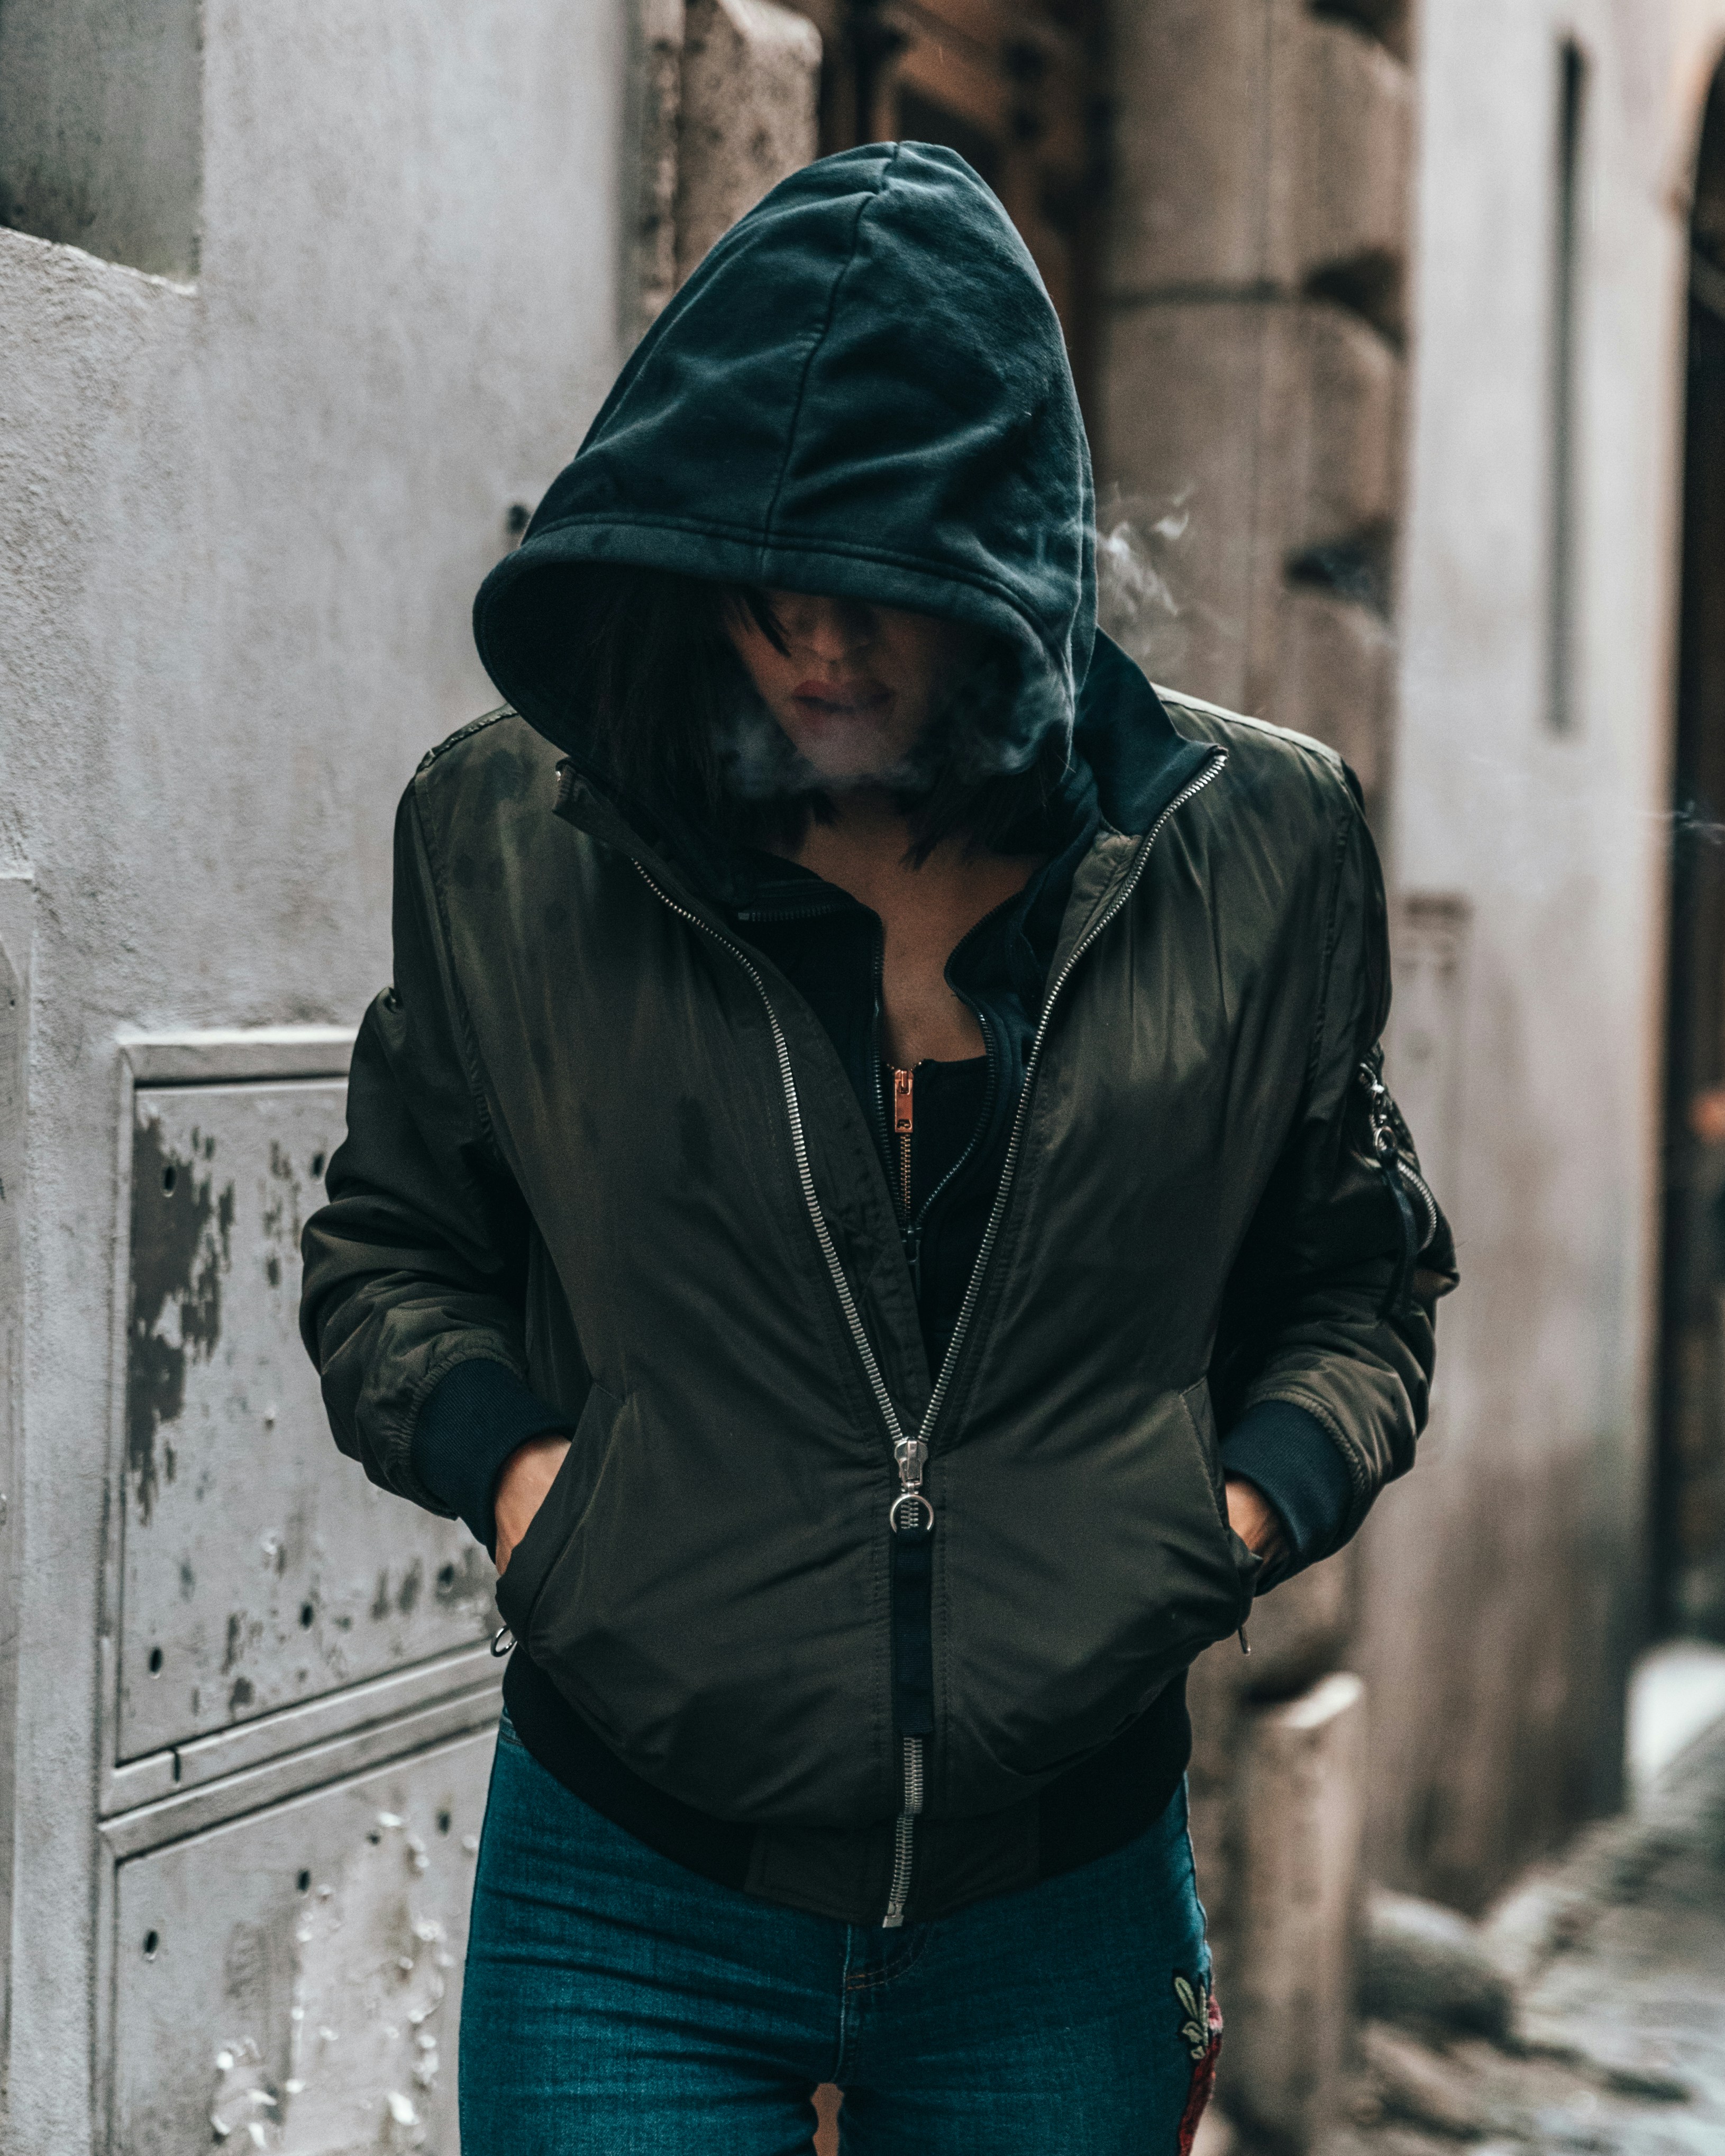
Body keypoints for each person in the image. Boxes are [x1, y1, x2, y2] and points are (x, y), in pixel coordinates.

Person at [299, 143, 1455, 2155]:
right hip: (625, 1892)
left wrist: (1224, 1520)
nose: (816, 649)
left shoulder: (1255, 850)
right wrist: (529, 1487)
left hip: (1060, 1905)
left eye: (880, 591)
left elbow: (1359, 1287)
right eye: (766, 586)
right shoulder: (510, 837)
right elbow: (391, 1248)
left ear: (1001, 567)